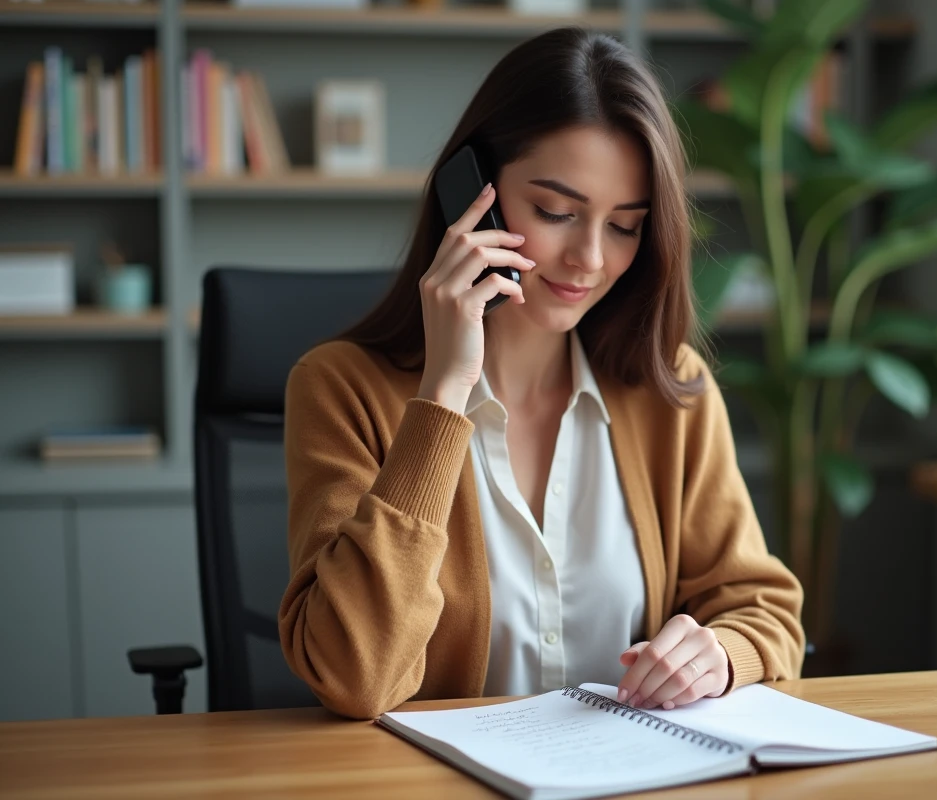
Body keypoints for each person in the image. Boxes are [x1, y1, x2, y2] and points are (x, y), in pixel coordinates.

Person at [280, 26, 804, 721]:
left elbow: (766, 613)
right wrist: (441, 399)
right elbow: (354, 677)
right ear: (471, 197)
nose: (590, 257)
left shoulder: (669, 390)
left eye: (625, 225)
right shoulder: (340, 389)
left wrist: (720, 652)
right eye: (557, 212)